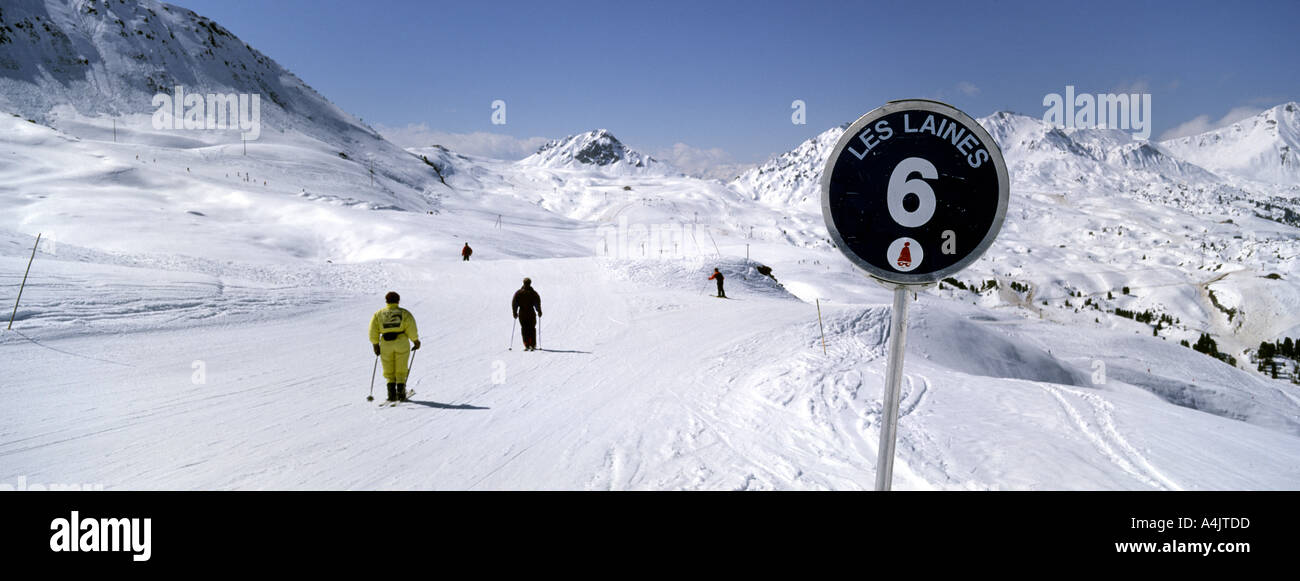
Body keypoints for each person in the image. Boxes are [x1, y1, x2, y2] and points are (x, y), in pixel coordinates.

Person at [368, 291, 421, 402]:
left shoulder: (379, 314)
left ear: (386, 301)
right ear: (398, 301)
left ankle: (391, 394)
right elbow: (411, 328)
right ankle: (401, 393)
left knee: (388, 367)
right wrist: (415, 341)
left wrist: (375, 344)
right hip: (401, 342)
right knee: (401, 366)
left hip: (386, 344)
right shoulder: (404, 313)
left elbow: (373, 330)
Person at [512, 277, 542, 351]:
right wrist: (539, 311)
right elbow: (537, 303)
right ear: (530, 283)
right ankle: (532, 344)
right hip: (531, 313)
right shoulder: (533, 293)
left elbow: (514, 303)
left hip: (522, 313)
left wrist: (515, 312)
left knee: (524, 329)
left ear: (524, 283)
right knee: (531, 328)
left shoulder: (519, 293)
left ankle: (527, 345)